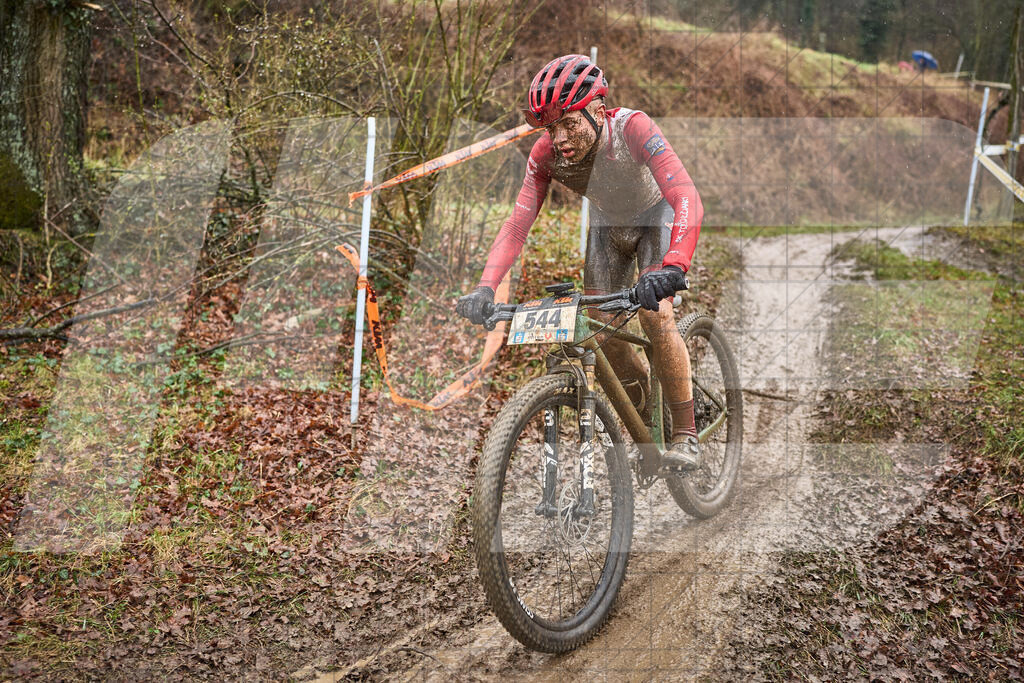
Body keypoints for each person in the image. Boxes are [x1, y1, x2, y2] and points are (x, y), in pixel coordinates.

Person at [456, 54, 704, 470]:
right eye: (551, 127)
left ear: (597, 110)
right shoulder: (545, 154)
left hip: (655, 218)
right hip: (607, 230)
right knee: (602, 334)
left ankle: (686, 431)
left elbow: (685, 196)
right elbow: (518, 223)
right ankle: (648, 418)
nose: (560, 138)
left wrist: (674, 265)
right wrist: (485, 286)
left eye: (570, 122)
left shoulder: (633, 127)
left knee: (656, 317)